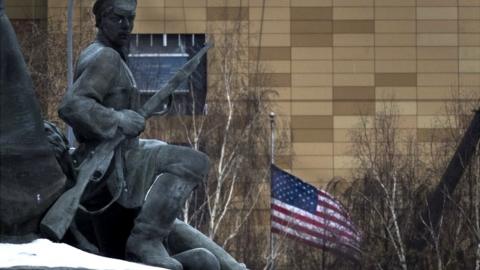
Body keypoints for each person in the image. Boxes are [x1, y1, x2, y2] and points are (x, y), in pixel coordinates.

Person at [58, 1, 247, 270]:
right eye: (119, 19)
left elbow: (106, 103)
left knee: (160, 157)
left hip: (119, 153)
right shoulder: (106, 57)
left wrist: (139, 110)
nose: (126, 26)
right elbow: (72, 106)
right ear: (100, 19)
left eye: (130, 19)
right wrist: (121, 118)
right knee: (193, 161)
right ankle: (145, 240)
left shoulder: (105, 54)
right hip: (110, 161)